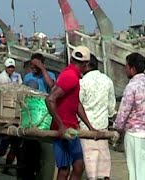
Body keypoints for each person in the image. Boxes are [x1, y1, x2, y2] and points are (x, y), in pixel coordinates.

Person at [46, 46, 96, 180]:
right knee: (65, 169)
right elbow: (50, 99)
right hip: (64, 129)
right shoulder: (71, 77)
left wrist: (90, 127)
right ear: (86, 64)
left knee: (77, 166)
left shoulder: (69, 75)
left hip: (71, 128)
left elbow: (77, 103)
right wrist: (61, 125)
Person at [113, 53, 145, 180]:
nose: (125, 69)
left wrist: (117, 128)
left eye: (126, 67)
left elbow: (123, 112)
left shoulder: (131, 87)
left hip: (134, 134)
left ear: (132, 68)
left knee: (136, 171)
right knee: (142, 166)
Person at [79, 54, 116, 180]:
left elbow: (77, 105)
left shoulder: (82, 82)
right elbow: (111, 108)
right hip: (102, 127)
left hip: (86, 127)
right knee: (103, 163)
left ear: (87, 65)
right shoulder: (107, 80)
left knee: (90, 164)